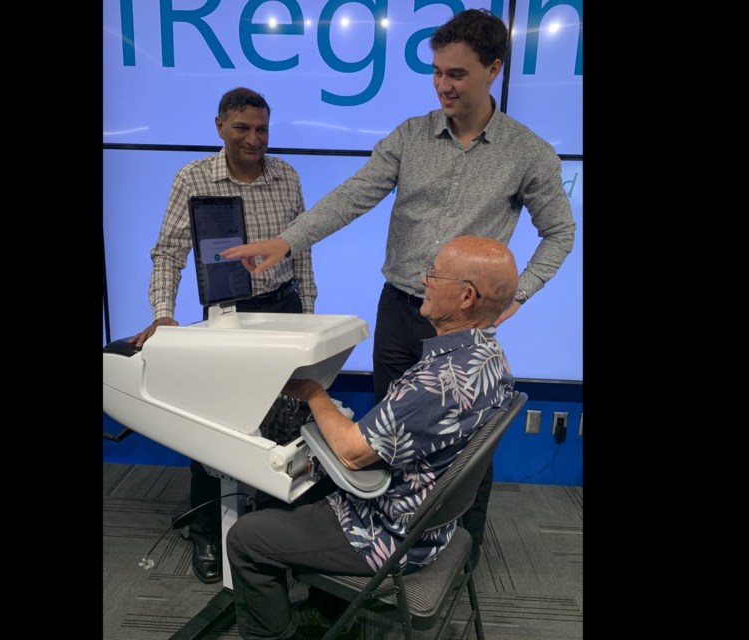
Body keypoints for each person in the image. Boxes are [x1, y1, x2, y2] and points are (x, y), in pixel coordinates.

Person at [221, 8, 575, 566]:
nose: (443, 85)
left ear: (494, 70)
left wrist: (518, 293)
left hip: (464, 326)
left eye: (456, 74)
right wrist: (287, 242)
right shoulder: (411, 136)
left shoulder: (527, 152)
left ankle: (460, 553)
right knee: (387, 438)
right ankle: (377, 548)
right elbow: (353, 195)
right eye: (437, 72)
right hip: (401, 310)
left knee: (463, 450)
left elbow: (559, 234)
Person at [226, 235, 518, 640]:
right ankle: (326, 612)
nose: (424, 280)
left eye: (434, 274)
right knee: (301, 492)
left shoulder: (438, 383)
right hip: (435, 523)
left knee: (246, 538)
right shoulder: (491, 359)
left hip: (392, 536)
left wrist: (313, 393)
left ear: (466, 297)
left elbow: (350, 452)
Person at [128, 87, 317, 585]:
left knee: (285, 423)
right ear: (219, 127)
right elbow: (167, 252)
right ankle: (209, 530)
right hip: (228, 316)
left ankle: (276, 532)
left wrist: (310, 315)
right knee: (213, 425)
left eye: (262, 129)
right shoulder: (193, 178)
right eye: (242, 128)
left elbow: (302, 251)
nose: (254, 139)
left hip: (284, 310)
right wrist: (163, 314)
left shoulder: (287, 176)